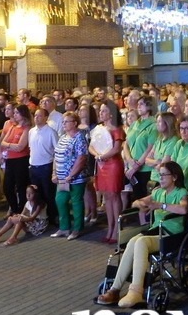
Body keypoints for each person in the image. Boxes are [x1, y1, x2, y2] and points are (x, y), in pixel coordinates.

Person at [96, 161, 188, 308]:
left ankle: (135, 292)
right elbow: (137, 203)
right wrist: (140, 203)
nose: (160, 178)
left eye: (164, 175)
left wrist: (160, 205)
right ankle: (115, 289)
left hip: (172, 235)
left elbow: (184, 209)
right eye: (159, 175)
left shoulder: (181, 193)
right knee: (133, 240)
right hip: (156, 231)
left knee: (141, 242)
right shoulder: (158, 192)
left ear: (174, 177)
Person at [91, 102, 125, 244]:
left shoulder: (117, 129)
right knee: (106, 195)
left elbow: (116, 149)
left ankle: (117, 228)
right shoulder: (99, 129)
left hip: (113, 164)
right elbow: (91, 146)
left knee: (114, 195)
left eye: (104, 110)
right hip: (101, 164)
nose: (101, 113)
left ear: (111, 114)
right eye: (100, 110)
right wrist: (97, 155)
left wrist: (101, 157)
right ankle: (110, 227)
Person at [51, 111, 88, 240]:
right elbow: (56, 155)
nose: (64, 124)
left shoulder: (79, 138)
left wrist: (72, 175)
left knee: (76, 202)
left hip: (76, 178)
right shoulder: (62, 137)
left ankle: (77, 229)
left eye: (67, 121)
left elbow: (81, 158)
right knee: (60, 200)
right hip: (61, 177)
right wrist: (54, 172)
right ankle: (64, 227)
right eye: (63, 122)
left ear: (75, 123)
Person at [28, 108, 59, 227]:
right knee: (37, 194)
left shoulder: (51, 132)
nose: (36, 118)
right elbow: (31, 149)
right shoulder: (31, 131)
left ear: (46, 118)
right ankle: (41, 218)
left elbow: (57, 151)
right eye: (35, 115)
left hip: (46, 166)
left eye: (39, 116)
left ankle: (52, 218)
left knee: (48, 194)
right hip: (33, 167)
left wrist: (54, 170)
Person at [123, 95, 157, 203]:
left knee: (145, 200)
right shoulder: (135, 124)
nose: (138, 106)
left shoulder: (154, 125)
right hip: (132, 166)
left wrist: (135, 167)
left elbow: (150, 148)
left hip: (145, 169)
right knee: (137, 199)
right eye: (138, 104)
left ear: (149, 106)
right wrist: (130, 160)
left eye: (141, 104)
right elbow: (126, 144)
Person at [0, 104, 32, 217]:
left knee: (21, 187)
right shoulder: (13, 127)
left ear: (23, 114)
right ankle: (15, 209)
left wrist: (8, 145)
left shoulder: (27, 128)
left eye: (17, 113)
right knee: (7, 187)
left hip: (21, 160)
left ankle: (21, 211)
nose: (15, 115)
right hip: (10, 160)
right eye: (14, 113)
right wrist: (11, 146)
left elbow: (21, 147)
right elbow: (2, 142)